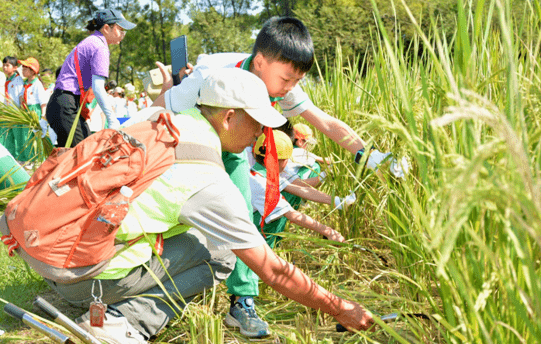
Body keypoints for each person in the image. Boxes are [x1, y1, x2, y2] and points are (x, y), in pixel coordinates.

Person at [21, 69, 373, 343]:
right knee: (223, 254)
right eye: (257, 123)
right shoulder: (207, 181)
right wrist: (338, 307)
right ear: (230, 117)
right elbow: (271, 270)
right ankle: (123, 321)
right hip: (80, 278)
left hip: (45, 252)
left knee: (190, 232)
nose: (261, 135)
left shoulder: (164, 121)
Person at [151, 16, 401, 335]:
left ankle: (242, 302)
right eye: (286, 80)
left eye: (296, 81)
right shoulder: (210, 75)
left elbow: (325, 122)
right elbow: (160, 108)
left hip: (232, 147)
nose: (290, 89)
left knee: (241, 214)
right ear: (259, 62)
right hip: (191, 147)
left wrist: (368, 156)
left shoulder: (281, 85)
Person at [225, 130, 346, 337]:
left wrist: (334, 200)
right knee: (255, 263)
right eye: (286, 161)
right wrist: (327, 230)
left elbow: (300, 189)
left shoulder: (257, 172)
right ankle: (243, 305)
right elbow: (293, 215)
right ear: (280, 161)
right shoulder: (261, 183)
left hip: (240, 235)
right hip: (245, 239)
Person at [46, 9, 135, 147]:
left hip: (62, 104)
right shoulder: (100, 47)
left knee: (76, 154)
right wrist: (112, 119)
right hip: (66, 105)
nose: (123, 34)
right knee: (84, 154)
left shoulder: (92, 41)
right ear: (106, 28)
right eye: (120, 29)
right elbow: (98, 87)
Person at [16, 57, 50, 162]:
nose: (23, 70)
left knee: (34, 136)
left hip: (34, 111)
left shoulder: (37, 84)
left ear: (32, 71)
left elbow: (43, 102)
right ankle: (28, 159)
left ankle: (37, 159)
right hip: (26, 110)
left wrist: (43, 117)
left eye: (25, 68)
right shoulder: (25, 84)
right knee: (25, 135)